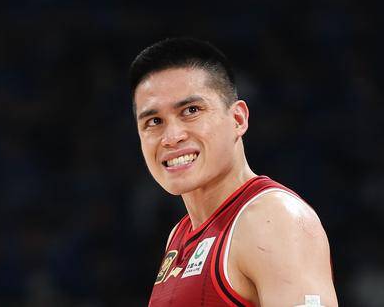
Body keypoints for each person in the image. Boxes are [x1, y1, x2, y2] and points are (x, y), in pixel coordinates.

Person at [129, 37, 338, 307]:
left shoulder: (273, 219)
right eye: (154, 121)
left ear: (238, 119)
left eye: (191, 110)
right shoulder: (179, 235)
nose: (171, 137)